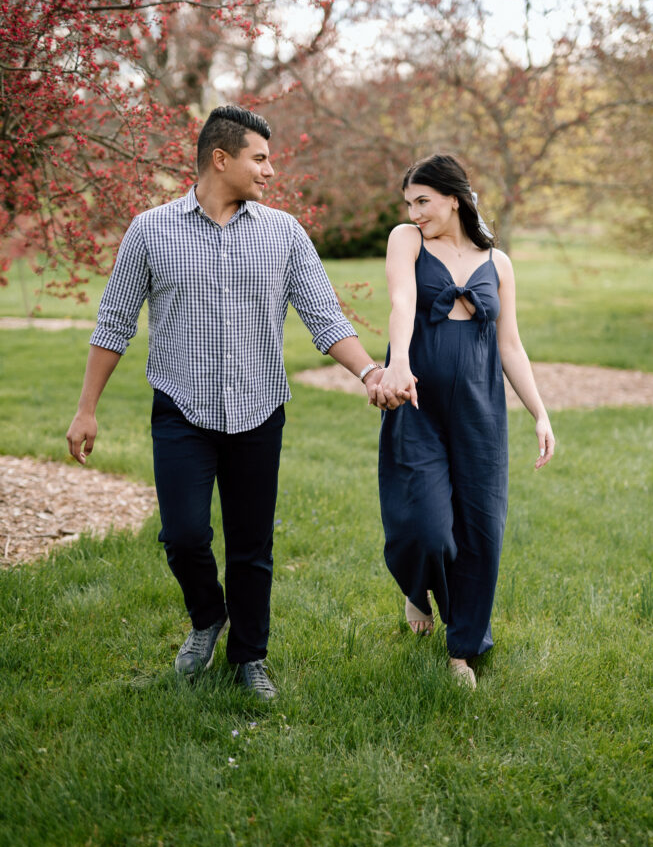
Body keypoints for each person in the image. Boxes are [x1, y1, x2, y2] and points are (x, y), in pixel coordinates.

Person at [66, 104, 390, 701]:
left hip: (259, 409)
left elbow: (325, 319)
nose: (270, 171)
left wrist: (370, 370)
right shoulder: (149, 230)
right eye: (259, 158)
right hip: (181, 406)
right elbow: (114, 323)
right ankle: (207, 617)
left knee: (251, 544)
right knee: (184, 535)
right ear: (222, 159)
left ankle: (250, 656)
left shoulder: (284, 233)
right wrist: (87, 408)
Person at [374, 153, 555, 689]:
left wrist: (540, 413)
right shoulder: (406, 240)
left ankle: (463, 650)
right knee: (424, 528)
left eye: (423, 201)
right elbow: (402, 301)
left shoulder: (498, 264)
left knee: (480, 532)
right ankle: (416, 587)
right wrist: (399, 362)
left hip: (480, 412)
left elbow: (511, 345)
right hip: (418, 404)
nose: (415, 211)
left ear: (454, 198)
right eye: (409, 203)